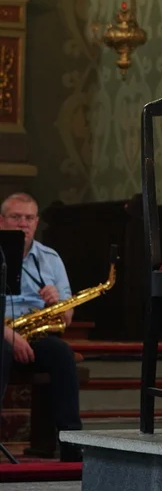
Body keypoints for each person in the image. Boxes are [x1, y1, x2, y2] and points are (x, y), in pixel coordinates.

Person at [0, 193, 83, 460]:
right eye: (16, 217)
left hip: (34, 332)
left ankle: (71, 443)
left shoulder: (50, 258)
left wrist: (57, 303)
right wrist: (10, 337)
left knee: (61, 353)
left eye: (29, 218)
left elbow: (67, 316)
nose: (23, 223)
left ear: (37, 222)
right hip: (4, 332)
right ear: (1, 220)